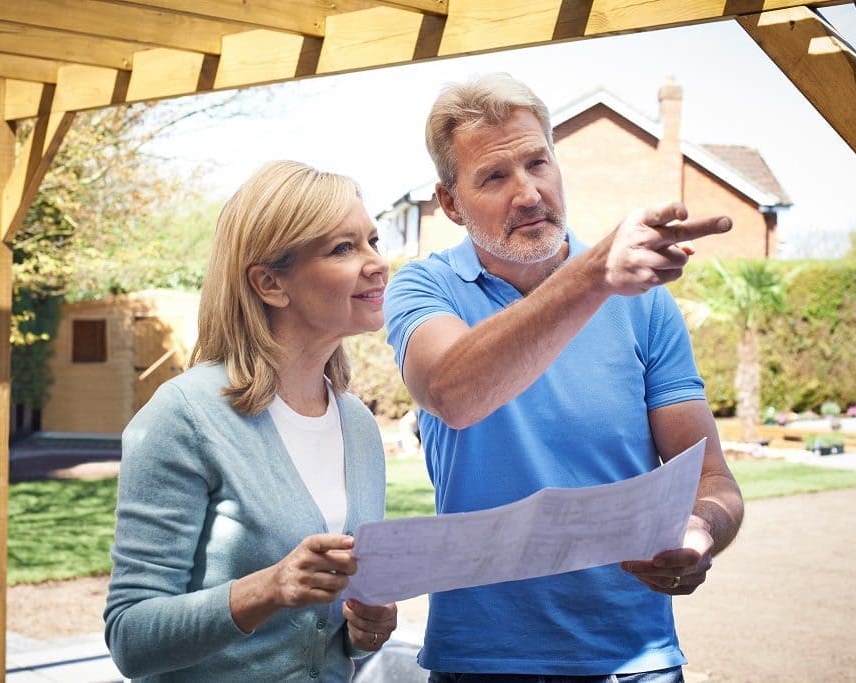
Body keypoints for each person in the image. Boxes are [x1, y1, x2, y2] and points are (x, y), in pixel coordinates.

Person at [384, 73, 745, 681]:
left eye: (537, 163)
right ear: (450, 203)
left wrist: (700, 529)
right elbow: (453, 391)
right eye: (494, 177)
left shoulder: (645, 301)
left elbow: (712, 477)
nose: (527, 193)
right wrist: (596, 273)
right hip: (482, 659)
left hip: (635, 659)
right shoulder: (425, 288)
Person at [105, 160, 398, 681]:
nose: (377, 263)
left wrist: (361, 632)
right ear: (269, 284)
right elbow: (130, 636)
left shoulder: (358, 426)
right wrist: (269, 588)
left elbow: (327, 639)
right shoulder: (185, 416)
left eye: (373, 240)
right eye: (343, 248)